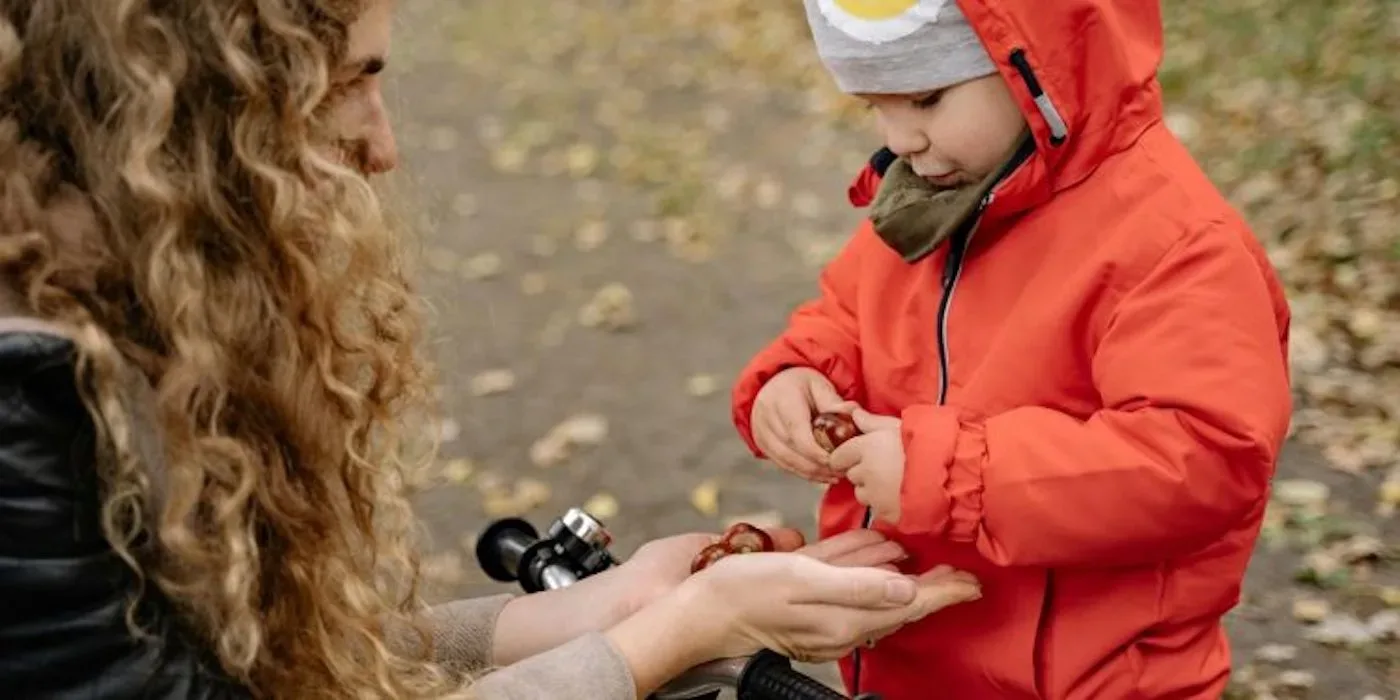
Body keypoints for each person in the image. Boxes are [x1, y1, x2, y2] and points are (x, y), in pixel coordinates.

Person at [0, 1, 985, 699]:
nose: (381, 147)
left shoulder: (97, 319)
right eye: (351, 82)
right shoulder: (21, 419)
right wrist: (674, 636)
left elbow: (251, 668)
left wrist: (592, 613)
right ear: (194, 110)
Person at [730, 0, 1294, 698]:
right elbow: (849, 312)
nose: (900, 137)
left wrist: (952, 476)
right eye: (873, 104)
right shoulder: (931, 201)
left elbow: (1204, 457)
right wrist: (797, 373)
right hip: (910, 658)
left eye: (926, 97)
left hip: (1097, 679)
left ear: (1031, 66)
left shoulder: (1173, 244)